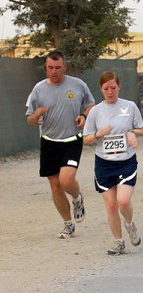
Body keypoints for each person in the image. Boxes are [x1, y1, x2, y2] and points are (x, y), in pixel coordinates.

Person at [26, 50, 94, 238]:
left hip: (72, 140)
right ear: (46, 68)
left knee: (66, 180)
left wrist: (84, 116)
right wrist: (36, 115)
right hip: (49, 141)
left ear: (64, 66)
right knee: (55, 186)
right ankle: (67, 224)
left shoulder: (78, 85)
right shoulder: (38, 89)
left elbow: (90, 104)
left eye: (57, 67)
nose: (54, 71)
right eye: (50, 68)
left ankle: (77, 198)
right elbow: (30, 119)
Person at [83, 71, 143, 255]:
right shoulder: (95, 111)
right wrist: (97, 134)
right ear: (101, 89)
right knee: (111, 205)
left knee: (123, 201)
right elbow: (86, 139)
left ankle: (129, 224)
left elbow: (141, 129)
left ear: (119, 87)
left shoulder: (130, 106)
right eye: (106, 88)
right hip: (104, 162)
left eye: (113, 88)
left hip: (126, 161)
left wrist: (132, 133)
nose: (110, 92)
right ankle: (118, 242)